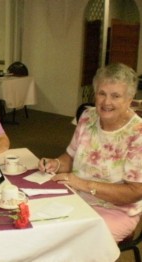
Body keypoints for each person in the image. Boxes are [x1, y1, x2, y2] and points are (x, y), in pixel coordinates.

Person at [38, 63, 142, 242]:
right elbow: (71, 156)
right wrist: (56, 163)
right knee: (39, 226)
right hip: (76, 196)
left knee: (75, 245)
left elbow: (134, 191)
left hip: (115, 210)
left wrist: (81, 183)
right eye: (102, 93)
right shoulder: (88, 116)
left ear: (129, 98)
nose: (106, 102)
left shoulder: (137, 133)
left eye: (115, 96)